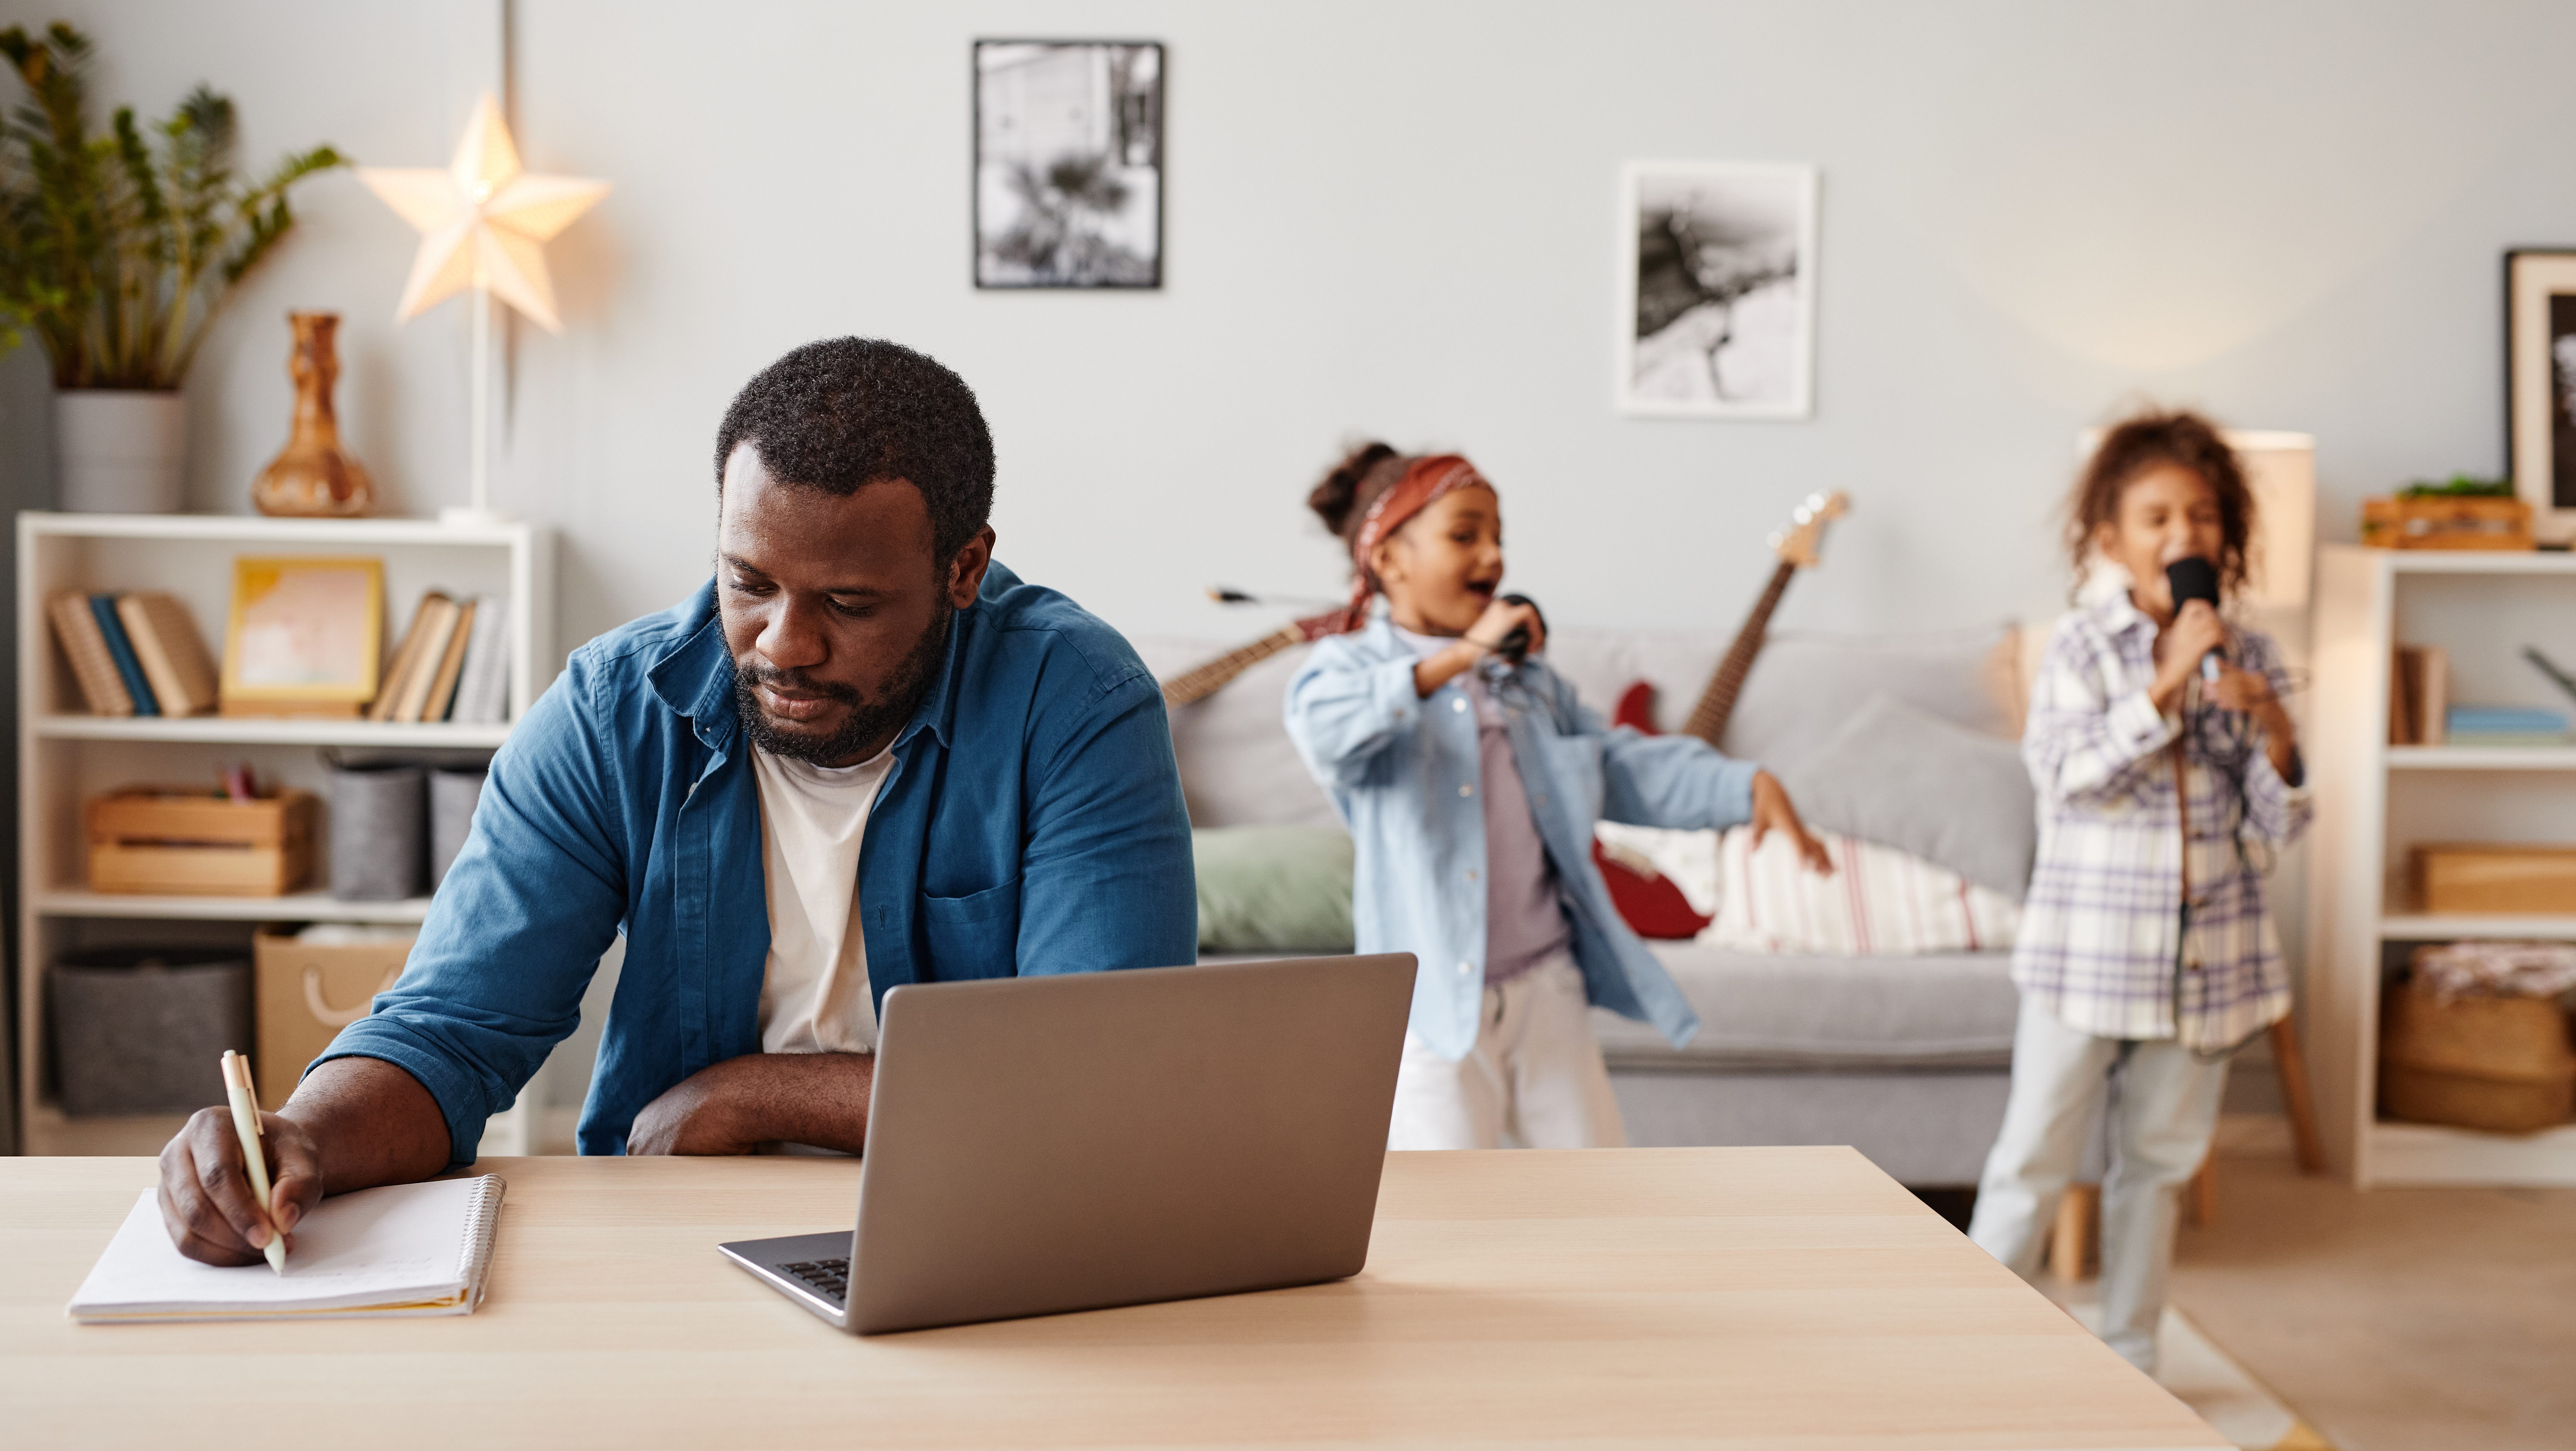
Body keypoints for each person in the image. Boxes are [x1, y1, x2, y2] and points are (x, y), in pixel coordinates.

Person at [156, 338, 1196, 1266]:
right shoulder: (614, 711)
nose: (783, 643)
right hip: (672, 1234)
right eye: (749, 583)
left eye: (846, 603)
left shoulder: (1077, 705)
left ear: (964, 567)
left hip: (988, 1227)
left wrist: (752, 1094)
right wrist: (301, 1139)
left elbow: (1092, 1084)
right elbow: (451, 1029)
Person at [1283, 445, 1830, 1151]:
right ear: (1388, 560)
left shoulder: (1524, 678)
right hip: (1433, 1005)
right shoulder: (1349, 670)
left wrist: (1739, 784)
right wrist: (1456, 659)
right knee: (1446, 1213)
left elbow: (1612, 764)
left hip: (1547, 985)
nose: (1493, 555)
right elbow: (1328, 732)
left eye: (1499, 537)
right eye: (1465, 534)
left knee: (1596, 1189)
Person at [1966, 409, 2310, 1375]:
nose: (2183, 535)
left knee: (2155, 1172)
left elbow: (2274, 825)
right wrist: (2158, 691)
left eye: (2202, 515)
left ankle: (2130, 1362)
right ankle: (1973, 1356)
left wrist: (2278, 732)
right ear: (2110, 538)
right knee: (2031, 1160)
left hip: (2204, 968)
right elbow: (2069, 779)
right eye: (2156, 516)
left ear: (2227, 535)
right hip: (2085, 958)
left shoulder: (2253, 658)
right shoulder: (2082, 650)